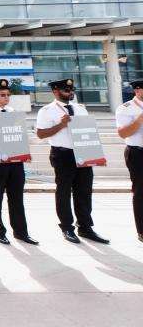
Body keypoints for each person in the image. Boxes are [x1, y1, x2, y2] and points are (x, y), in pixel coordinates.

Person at [36, 78, 109, 244]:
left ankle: (85, 227)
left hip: (83, 152)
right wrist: (60, 125)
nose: (71, 93)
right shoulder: (47, 111)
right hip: (63, 154)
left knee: (84, 191)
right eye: (66, 91)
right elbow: (40, 134)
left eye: (71, 90)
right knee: (64, 191)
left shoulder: (80, 108)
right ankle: (67, 227)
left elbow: (88, 131)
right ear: (55, 91)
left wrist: (96, 154)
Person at [0, 79, 38, 245]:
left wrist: (24, 152)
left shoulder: (12, 111)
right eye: (2, 95)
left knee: (16, 196)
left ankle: (21, 231)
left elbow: (17, 134)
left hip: (14, 157)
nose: (6, 98)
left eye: (8, 95)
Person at [116, 79, 143, 243]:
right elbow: (123, 133)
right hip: (138, 153)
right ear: (137, 91)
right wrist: (139, 120)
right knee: (141, 192)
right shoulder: (126, 108)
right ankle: (142, 230)